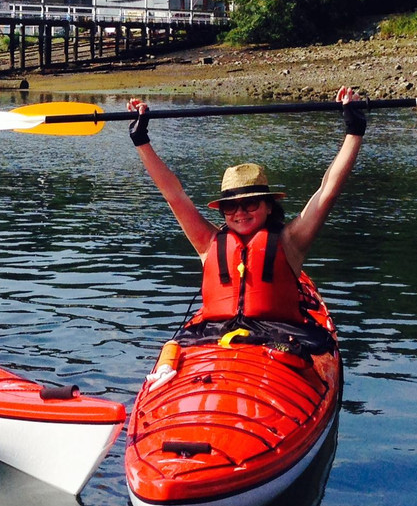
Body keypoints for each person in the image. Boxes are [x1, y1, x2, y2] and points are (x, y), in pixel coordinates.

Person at [126, 86, 365, 328]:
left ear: (269, 206)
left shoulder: (291, 241)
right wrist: (140, 140)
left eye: (250, 203)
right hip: (217, 337)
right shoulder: (208, 242)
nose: (240, 213)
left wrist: (354, 130)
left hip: (277, 337)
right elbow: (174, 195)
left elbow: (327, 192)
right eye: (230, 207)